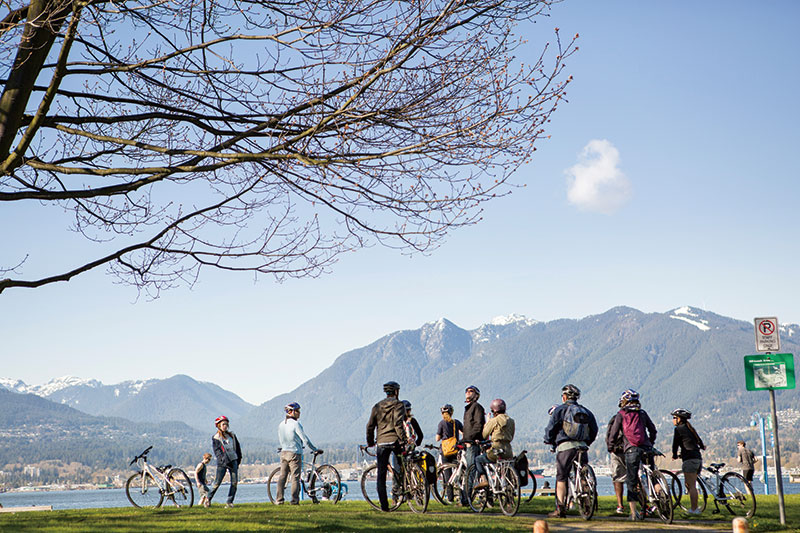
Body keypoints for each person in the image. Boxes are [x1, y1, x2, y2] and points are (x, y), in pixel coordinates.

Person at [543, 384, 598, 518]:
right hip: (582, 447)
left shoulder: (560, 410)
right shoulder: (586, 411)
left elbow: (551, 428)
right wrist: (587, 442)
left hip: (565, 447)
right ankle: (586, 505)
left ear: (565, 397)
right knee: (583, 474)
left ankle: (560, 508)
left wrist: (548, 440)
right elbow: (594, 429)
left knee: (561, 477)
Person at [608, 389, 658, 521]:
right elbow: (653, 430)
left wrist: (610, 446)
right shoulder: (642, 413)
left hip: (632, 449)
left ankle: (633, 513)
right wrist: (650, 442)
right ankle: (660, 498)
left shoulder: (621, 414)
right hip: (647, 448)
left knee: (631, 481)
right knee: (652, 475)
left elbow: (613, 433)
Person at [365, 380, 406, 511]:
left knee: (381, 475)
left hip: (381, 443)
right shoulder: (399, 405)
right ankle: (403, 490)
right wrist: (404, 439)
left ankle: (384, 506)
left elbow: (370, 426)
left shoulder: (377, 407)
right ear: (396, 392)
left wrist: (370, 442)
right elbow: (398, 424)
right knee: (402, 467)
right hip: (395, 442)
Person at [276, 401, 321, 505]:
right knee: (295, 478)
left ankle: (279, 500)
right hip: (295, 453)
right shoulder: (296, 424)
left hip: (284, 452)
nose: (299, 413)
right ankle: (294, 501)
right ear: (291, 412)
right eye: (297, 411)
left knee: (282, 477)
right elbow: (304, 438)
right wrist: (314, 448)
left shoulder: (281, 424)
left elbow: (281, 439)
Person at [473, 398, 515, 490]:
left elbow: (484, 434)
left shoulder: (494, 420)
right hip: (508, 450)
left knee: (478, 459)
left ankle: (484, 480)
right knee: (505, 464)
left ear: (494, 410)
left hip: (496, 449)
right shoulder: (511, 421)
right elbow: (511, 436)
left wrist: (487, 423)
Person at [672, 408, 705, 515]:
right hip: (697, 458)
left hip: (689, 460)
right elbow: (697, 442)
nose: (673, 420)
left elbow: (675, 444)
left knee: (691, 486)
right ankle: (695, 507)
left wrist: (674, 455)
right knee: (690, 484)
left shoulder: (679, 429)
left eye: (674, 417)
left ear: (680, 419)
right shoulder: (690, 428)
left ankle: (694, 509)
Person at [207, 415, 242, 508]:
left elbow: (237, 448)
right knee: (217, 483)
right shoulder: (216, 437)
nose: (225, 426)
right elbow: (217, 451)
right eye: (223, 424)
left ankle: (229, 502)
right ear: (219, 426)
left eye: (226, 424)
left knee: (234, 482)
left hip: (233, 460)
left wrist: (238, 459)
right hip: (222, 463)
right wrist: (222, 460)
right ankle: (208, 499)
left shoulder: (232, 436)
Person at [461, 385, 485, 504]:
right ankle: (466, 497)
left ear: (476, 395)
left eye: (471, 391)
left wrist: (470, 438)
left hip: (473, 444)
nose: (468, 393)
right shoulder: (468, 408)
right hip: (467, 443)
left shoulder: (477, 407)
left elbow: (478, 425)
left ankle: (466, 499)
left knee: (470, 471)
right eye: (467, 391)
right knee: (469, 471)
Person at [605, 406, 627, 515]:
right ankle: (643, 504)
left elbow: (610, 434)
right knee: (636, 478)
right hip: (633, 449)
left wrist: (610, 446)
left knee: (618, 478)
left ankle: (620, 505)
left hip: (617, 451)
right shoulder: (639, 416)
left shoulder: (616, 418)